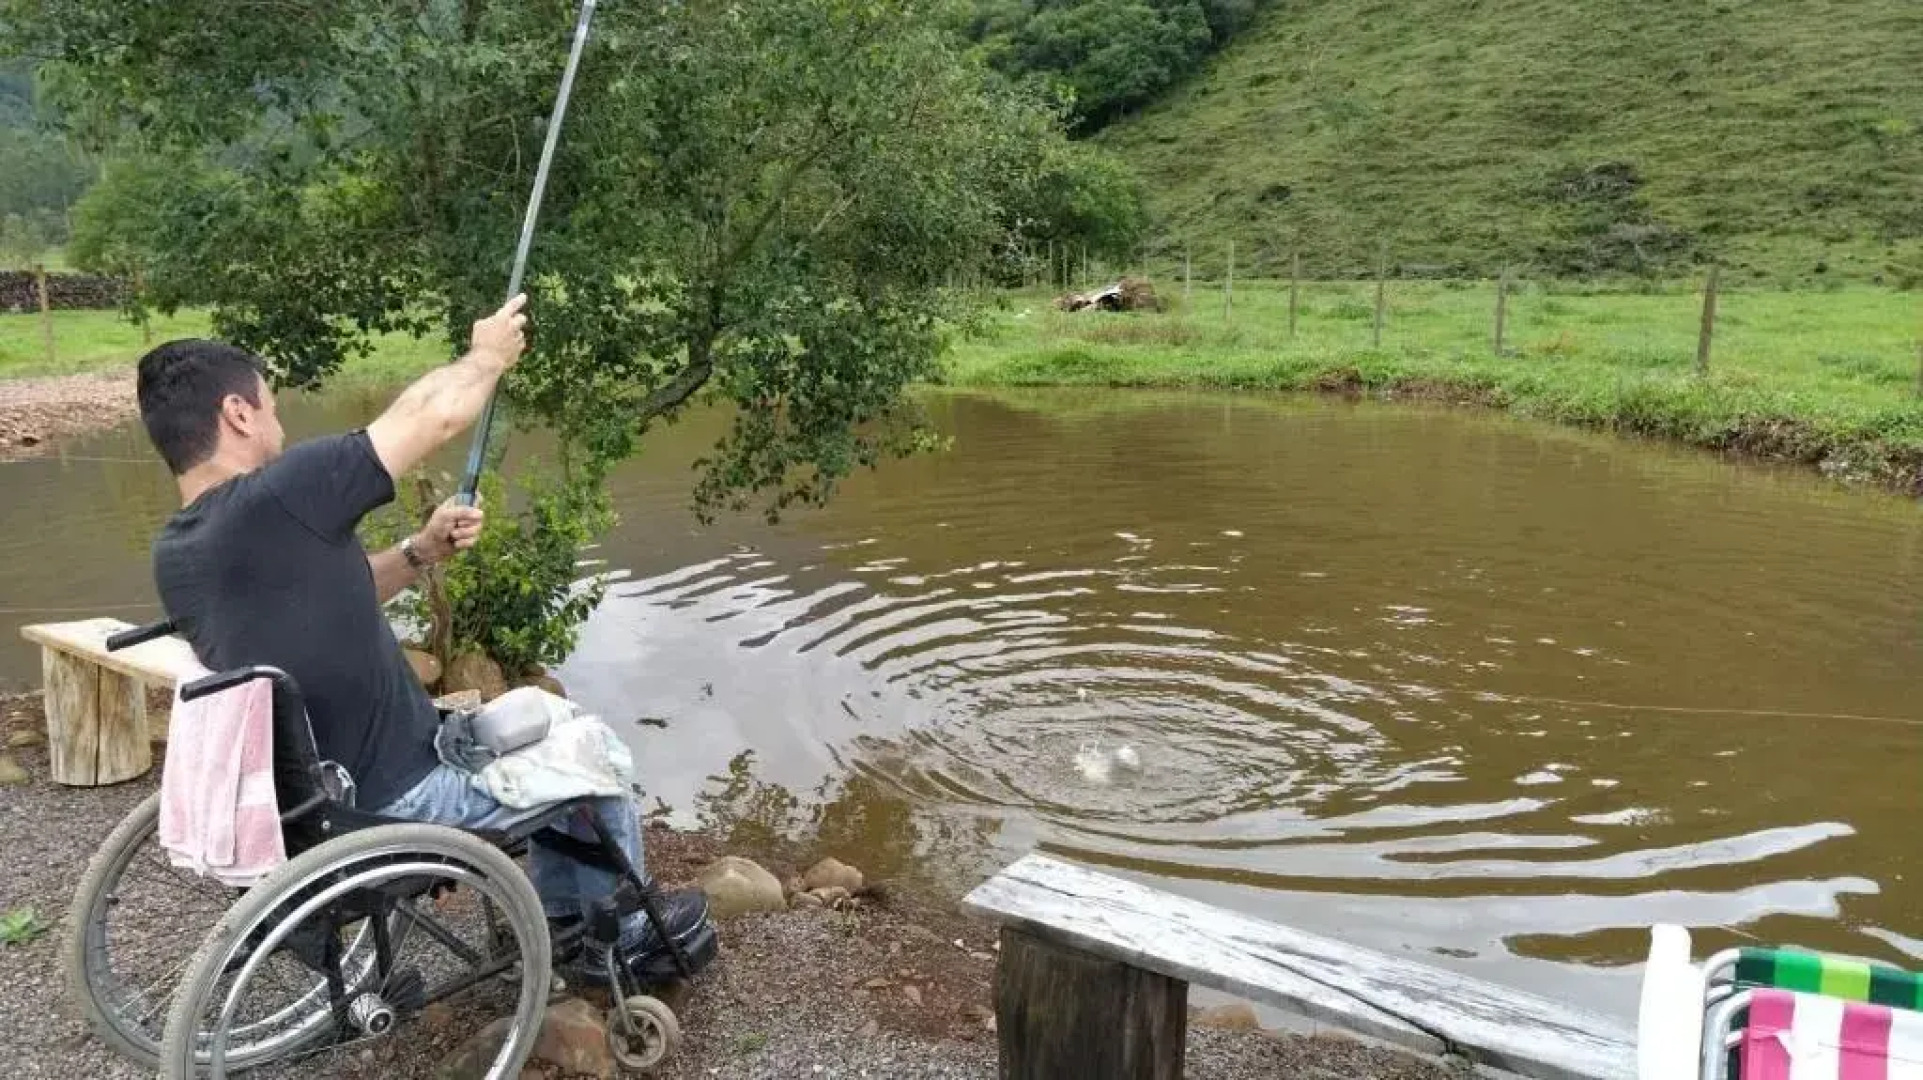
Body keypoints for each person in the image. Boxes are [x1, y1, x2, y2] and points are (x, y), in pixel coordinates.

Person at [134, 294, 709, 976]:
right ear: (237, 412)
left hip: (319, 803)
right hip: (398, 801)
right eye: (271, 405)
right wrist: (486, 357)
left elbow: (334, 597)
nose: (279, 423)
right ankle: (620, 940)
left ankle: (563, 917)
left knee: (546, 715)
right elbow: (433, 416)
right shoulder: (279, 496)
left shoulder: (181, 550)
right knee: (595, 753)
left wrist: (421, 551)